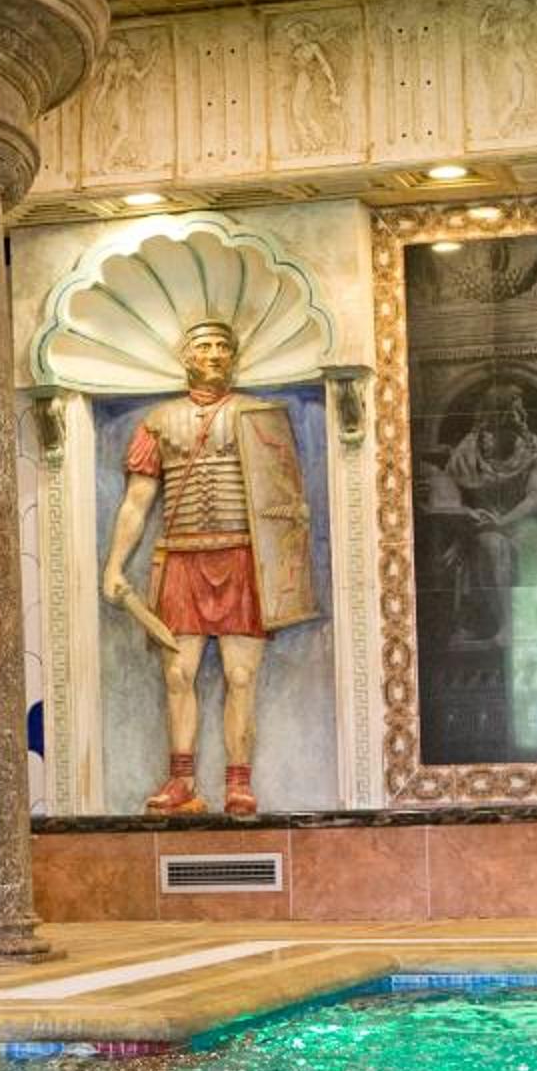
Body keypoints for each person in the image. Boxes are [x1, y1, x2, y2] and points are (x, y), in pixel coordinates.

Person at [99, 320, 320, 816]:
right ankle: (182, 783)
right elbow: (137, 502)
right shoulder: (158, 422)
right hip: (181, 558)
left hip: (243, 557)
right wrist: (114, 564)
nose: (215, 353)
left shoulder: (258, 416)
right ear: (187, 356)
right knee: (179, 675)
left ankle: (238, 783)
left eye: (223, 345)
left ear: (234, 356)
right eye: (205, 345)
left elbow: (287, 499)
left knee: (241, 677)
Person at [441, 392, 537, 646]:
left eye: (521, 410)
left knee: (494, 544)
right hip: (479, 527)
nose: (522, 417)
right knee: (488, 542)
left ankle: (510, 626)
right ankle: (479, 622)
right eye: (514, 411)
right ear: (495, 416)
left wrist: (501, 522)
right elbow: (447, 492)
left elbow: (533, 500)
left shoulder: (536, 451)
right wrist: (466, 519)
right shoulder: (470, 450)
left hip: (525, 527)